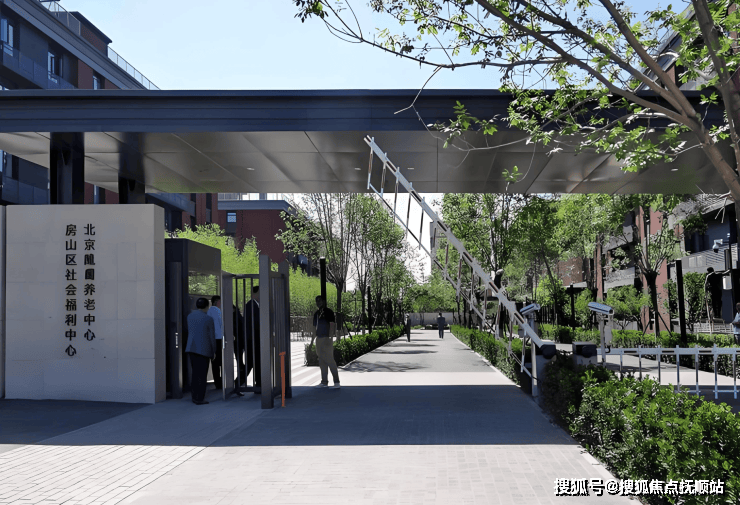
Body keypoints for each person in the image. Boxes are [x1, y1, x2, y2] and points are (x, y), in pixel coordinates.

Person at [186, 297, 217, 405]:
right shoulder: (208, 319)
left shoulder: (190, 316)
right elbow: (212, 337)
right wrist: (214, 351)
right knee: (202, 375)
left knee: (195, 373)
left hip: (191, 348)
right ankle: (199, 398)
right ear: (207, 306)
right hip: (204, 349)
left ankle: (194, 396)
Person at [310, 295, 340, 388]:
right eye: (317, 301)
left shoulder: (329, 312)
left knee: (330, 360)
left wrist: (330, 338)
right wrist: (311, 342)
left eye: (320, 301)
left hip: (326, 338)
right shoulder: (316, 314)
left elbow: (332, 325)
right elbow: (314, 329)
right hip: (318, 339)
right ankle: (324, 382)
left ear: (323, 301)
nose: (318, 303)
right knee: (321, 361)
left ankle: (336, 382)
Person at [244, 285, 262, 393]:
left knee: (257, 363)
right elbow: (253, 324)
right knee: (251, 364)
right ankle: (236, 384)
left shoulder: (256, 305)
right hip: (252, 340)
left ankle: (259, 385)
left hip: (256, 340)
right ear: (255, 293)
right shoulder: (250, 305)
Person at [207, 295, 224, 389]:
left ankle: (217, 382)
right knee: (220, 361)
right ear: (216, 301)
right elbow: (221, 324)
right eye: (220, 301)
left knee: (215, 362)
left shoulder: (209, 311)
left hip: (212, 339)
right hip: (218, 338)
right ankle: (220, 382)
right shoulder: (217, 310)